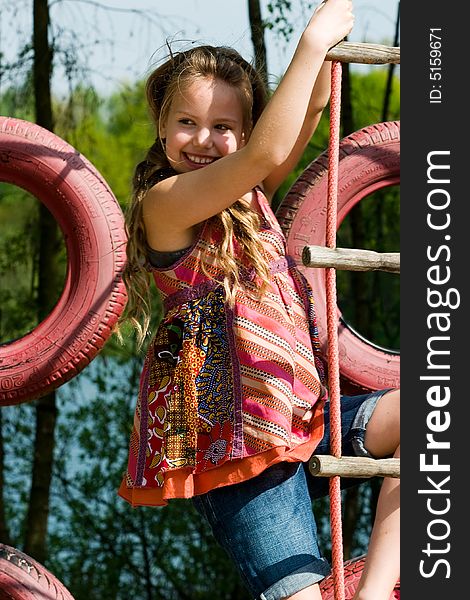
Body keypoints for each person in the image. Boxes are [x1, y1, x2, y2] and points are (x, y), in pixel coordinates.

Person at [118, 1, 400, 598]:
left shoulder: (249, 196)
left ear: (244, 130)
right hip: (234, 448)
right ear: (161, 128)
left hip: (299, 415)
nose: (203, 139)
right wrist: (310, 39)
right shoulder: (166, 204)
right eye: (187, 122)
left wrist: (330, 36)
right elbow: (265, 155)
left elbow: (309, 111)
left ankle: (375, 592)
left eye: (223, 126)